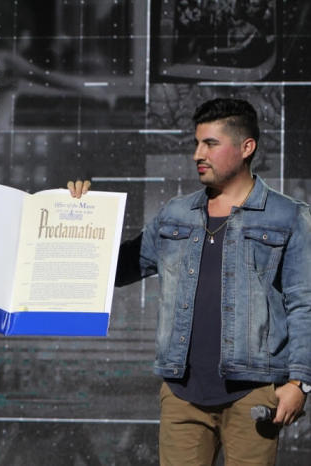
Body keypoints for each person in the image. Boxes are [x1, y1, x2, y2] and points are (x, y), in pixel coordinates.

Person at [68, 98, 310, 465]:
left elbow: (304, 302)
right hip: (182, 394)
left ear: (247, 147)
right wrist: (81, 217)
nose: (199, 153)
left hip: (255, 392)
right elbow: (117, 270)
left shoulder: (288, 216)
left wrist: (300, 383)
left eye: (210, 144)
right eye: (197, 143)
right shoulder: (175, 213)